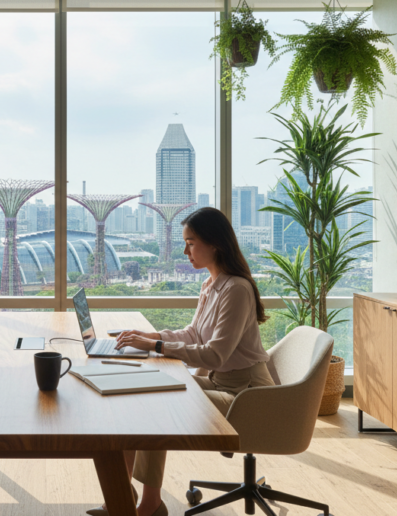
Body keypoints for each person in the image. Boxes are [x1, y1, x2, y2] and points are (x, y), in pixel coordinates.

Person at [85, 207, 274, 516]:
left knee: (158, 404)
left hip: (245, 394)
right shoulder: (212, 285)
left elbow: (215, 354)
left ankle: (150, 505)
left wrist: (157, 345)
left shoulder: (237, 289)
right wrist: (150, 335)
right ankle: (122, 492)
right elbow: (193, 332)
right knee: (137, 394)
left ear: (214, 243)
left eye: (191, 242)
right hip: (219, 381)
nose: (185, 250)